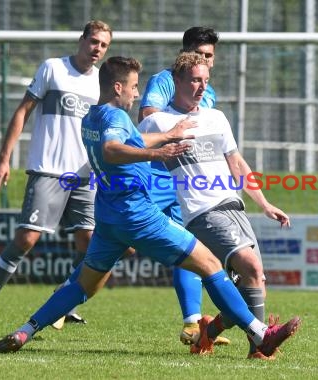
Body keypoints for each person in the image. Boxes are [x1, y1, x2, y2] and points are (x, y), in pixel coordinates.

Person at [0, 56, 301, 360]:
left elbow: (131, 138)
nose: (138, 94)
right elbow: (113, 149)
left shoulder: (91, 117)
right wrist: (160, 152)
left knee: (84, 284)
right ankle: (261, 334)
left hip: (108, 217)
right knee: (210, 266)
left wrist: (167, 135)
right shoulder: (115, 118)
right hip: (136, 214)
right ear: (117, 88)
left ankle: (25, 330)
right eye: (134, 87)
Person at [139, 52, 298, 359]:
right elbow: (128, 149)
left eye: (206, 81)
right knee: (250, 267)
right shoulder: (159, 122)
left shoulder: (217, 117)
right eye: (195, 80)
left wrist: (264, 203)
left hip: (234, 208)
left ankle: (207, 333)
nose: (201, 87)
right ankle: (260, 345)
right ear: (177, 82)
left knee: (254, 280)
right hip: (202, 213)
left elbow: (236, 162)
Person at [0, 20, 113, 326]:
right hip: (49, 170)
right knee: (27, 239)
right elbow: (22, 111)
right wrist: (4, 159)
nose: (97, 49)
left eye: (104, 45)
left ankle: (65, 302)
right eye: (94, 41)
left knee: (89, 241)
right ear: (82, 39)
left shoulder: (101, 83)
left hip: (85, 176)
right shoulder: (53, 69)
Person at [137, 26, 227, 346]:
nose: (205, 61)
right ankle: (65, 295)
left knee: (190, 247)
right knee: (116, 246)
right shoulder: (165, 80)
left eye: (210, 57)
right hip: (153, 176)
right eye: (200, 54)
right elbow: (148, 115)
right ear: (184, 54)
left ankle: (193, 324)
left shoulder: (208, 91)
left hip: (183, 182)